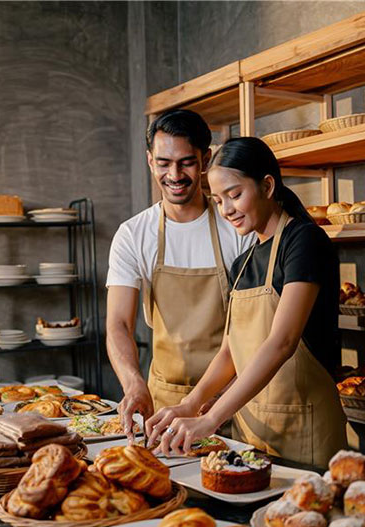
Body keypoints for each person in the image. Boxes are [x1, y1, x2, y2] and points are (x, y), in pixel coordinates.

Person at [145, 136, 347, 467]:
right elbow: (230, 350)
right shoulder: (245, 261)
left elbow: (282, 342)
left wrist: (211, 420)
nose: (226, 210)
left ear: (267, 186)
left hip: (305, 431)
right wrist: (192, 404)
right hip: (252, 433)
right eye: (218, 199)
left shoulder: (303, 242)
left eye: (235, 195)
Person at [106, 110, 254, 438]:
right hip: (165, 405)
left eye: (186, 162)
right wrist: (134, 384)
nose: (174, 175)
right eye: (163, 163)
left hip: (236, 396)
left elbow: (255, 325)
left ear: (206, 159)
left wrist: (216, 398)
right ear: (149, 160)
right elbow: (118, 323)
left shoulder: (238, 227)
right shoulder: (133, 234)